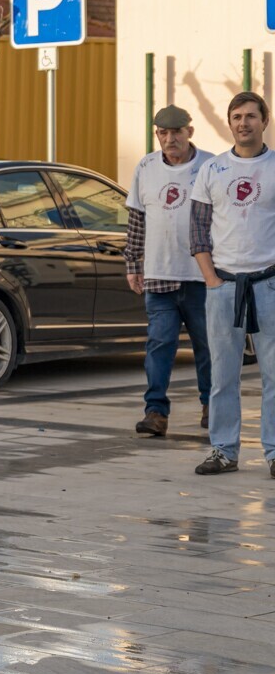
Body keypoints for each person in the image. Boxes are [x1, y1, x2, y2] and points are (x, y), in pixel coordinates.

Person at [191, 91, 275, 477]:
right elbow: (197, 229)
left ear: (264, 121)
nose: (244, 123)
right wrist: (211, 279)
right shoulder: (212, 169)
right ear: (229, 123)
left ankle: (274, 453)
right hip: (223, 286)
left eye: (251, 116)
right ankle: (224, 450)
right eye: (237, 117)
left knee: (274, 374)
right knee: (223, 375)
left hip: (268, 284)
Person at [126, 106, 214, 437]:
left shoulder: (210, 165)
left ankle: (211, 405)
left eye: (177, 131)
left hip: (202, 275)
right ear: (157, 135)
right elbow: (137, 218)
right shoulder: (146, 167)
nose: (170, 138)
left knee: (208, 346)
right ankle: (155, 413)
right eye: (163, 133)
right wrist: (133, 265)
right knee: (159, 345)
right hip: (159, 274)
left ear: (190, 132)